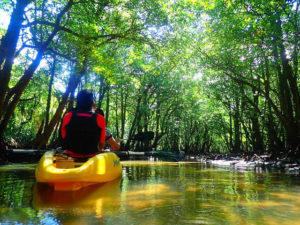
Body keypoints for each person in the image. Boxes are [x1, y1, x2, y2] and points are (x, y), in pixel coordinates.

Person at [61, 90, 106, 158]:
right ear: (92, 102)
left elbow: (64, 137)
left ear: (77, 101)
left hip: (70, 156)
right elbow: (101, 145)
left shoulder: (68, 116)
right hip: (91, 156)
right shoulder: (100, 118)